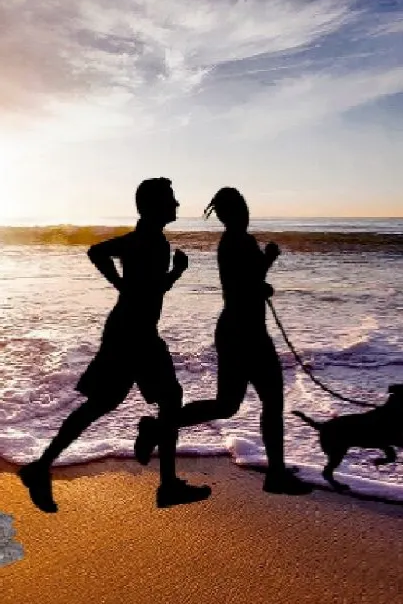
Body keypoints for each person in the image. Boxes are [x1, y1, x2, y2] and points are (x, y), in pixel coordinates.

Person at [18, 178, 211, 512]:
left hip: (127, 331)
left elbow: (109, 261)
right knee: (166, 400)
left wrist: (129, 283)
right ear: (154, 206)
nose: (177, 205)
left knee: (102, 404)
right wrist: (152, 278)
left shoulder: (147, 240)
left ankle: (41, 466)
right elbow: (126, 274)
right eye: (171, 200)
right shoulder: (149, 241)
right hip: (135, 335)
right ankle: (165, 484)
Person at [135, 187, 309, 495]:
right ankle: (276, 474)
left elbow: (245, 283)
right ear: (232, 213)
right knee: (268, 401)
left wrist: (261, 279)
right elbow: (244, 289)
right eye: (239, 207)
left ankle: (158, 427)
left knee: (228, 405)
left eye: (243, 205)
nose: (245, 211)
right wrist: (267, 263)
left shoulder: (235, 241)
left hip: (237, 331)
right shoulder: (237, 242)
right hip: (246, 333)